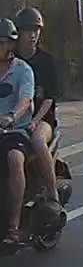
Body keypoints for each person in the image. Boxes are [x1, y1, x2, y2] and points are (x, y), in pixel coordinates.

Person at [14, 7, 61, 209]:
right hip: (13, 118)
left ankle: (52, 193)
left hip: (42, 118)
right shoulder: (11, 60)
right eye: (28, 30)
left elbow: (49, 98)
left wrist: (34, 121)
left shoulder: (46, 61)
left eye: (36, 30)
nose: (32, 35)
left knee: (38, 141)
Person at [0, 18, 36, 249]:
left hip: (16, 130)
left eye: (2, 42)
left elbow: (26, 99)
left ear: (11, 44)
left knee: (14, 158)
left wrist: (12, 116)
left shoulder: (23, 70)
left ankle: (13, 226)